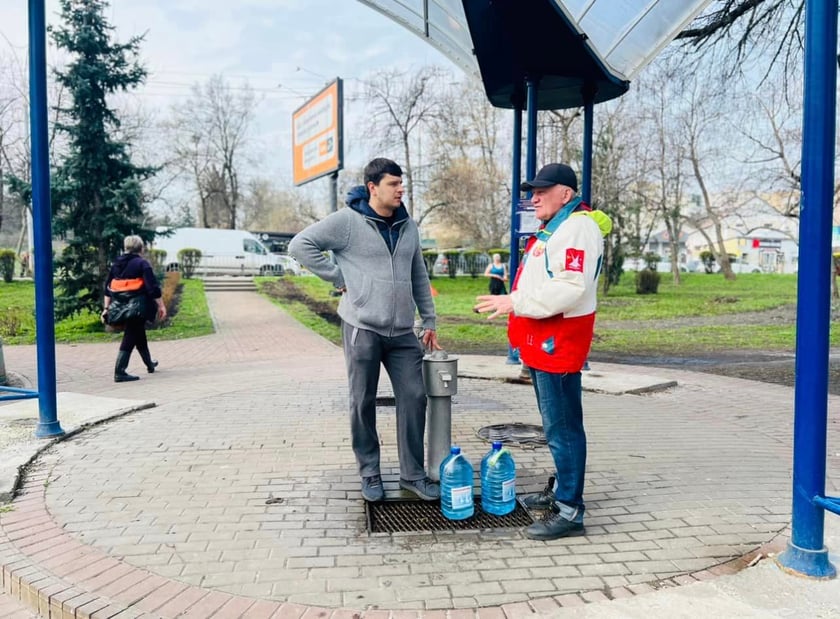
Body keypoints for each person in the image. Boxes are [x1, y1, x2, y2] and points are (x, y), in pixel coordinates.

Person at [288, 158, 442, 503]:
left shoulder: (408, 226)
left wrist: (428, 319)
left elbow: (419, 274)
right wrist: (340, 278)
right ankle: (369, 471)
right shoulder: (347, 222)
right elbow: (300, 245)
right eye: (393, 184)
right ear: (373, 188)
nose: (400, 189)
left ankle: (413, 474)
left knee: (415, 397)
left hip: (403, 332)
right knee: (362, 401)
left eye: (402, 184)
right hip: (362, 327)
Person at [474, 163, 611, 540]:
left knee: (563, 428)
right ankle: (562, 492)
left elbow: (571, 287)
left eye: (542, 190)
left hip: (559, 343)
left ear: (565, 194)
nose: (532, 198)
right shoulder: (560, 227)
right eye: (531, 191)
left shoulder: (578, 228)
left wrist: (514, 301)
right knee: (556, 427)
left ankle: (570, 510)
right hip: (544, 343)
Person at [102, 235, 167, 382]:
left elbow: (108, 287)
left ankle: (149, 364)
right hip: (138, 306)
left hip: (119, 306)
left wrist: (106, 308)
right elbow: (152, 288)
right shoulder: (142, 264)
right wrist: (161, 305)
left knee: (139, 334)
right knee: (131, 335)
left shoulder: (116, 264)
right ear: (141, 248)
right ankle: (119, 371)